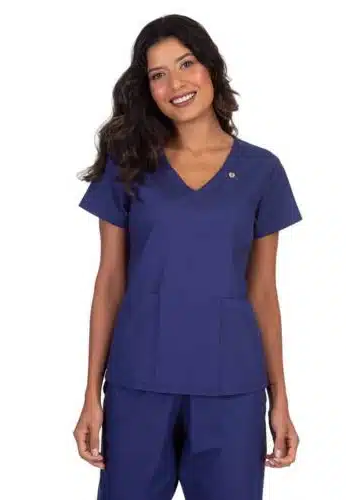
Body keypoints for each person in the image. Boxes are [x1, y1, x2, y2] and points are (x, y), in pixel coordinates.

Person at [73, 13, 302, 500]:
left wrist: (279, 400)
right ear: (147, 88)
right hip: (139, 385)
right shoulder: (128, 164)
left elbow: (263, 292)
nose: (175, 84)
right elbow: (109, 281)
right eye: (158, 74)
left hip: (231, 389)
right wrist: (91, 394)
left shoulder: (261, 171)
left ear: (211, 68)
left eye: (186, 64)